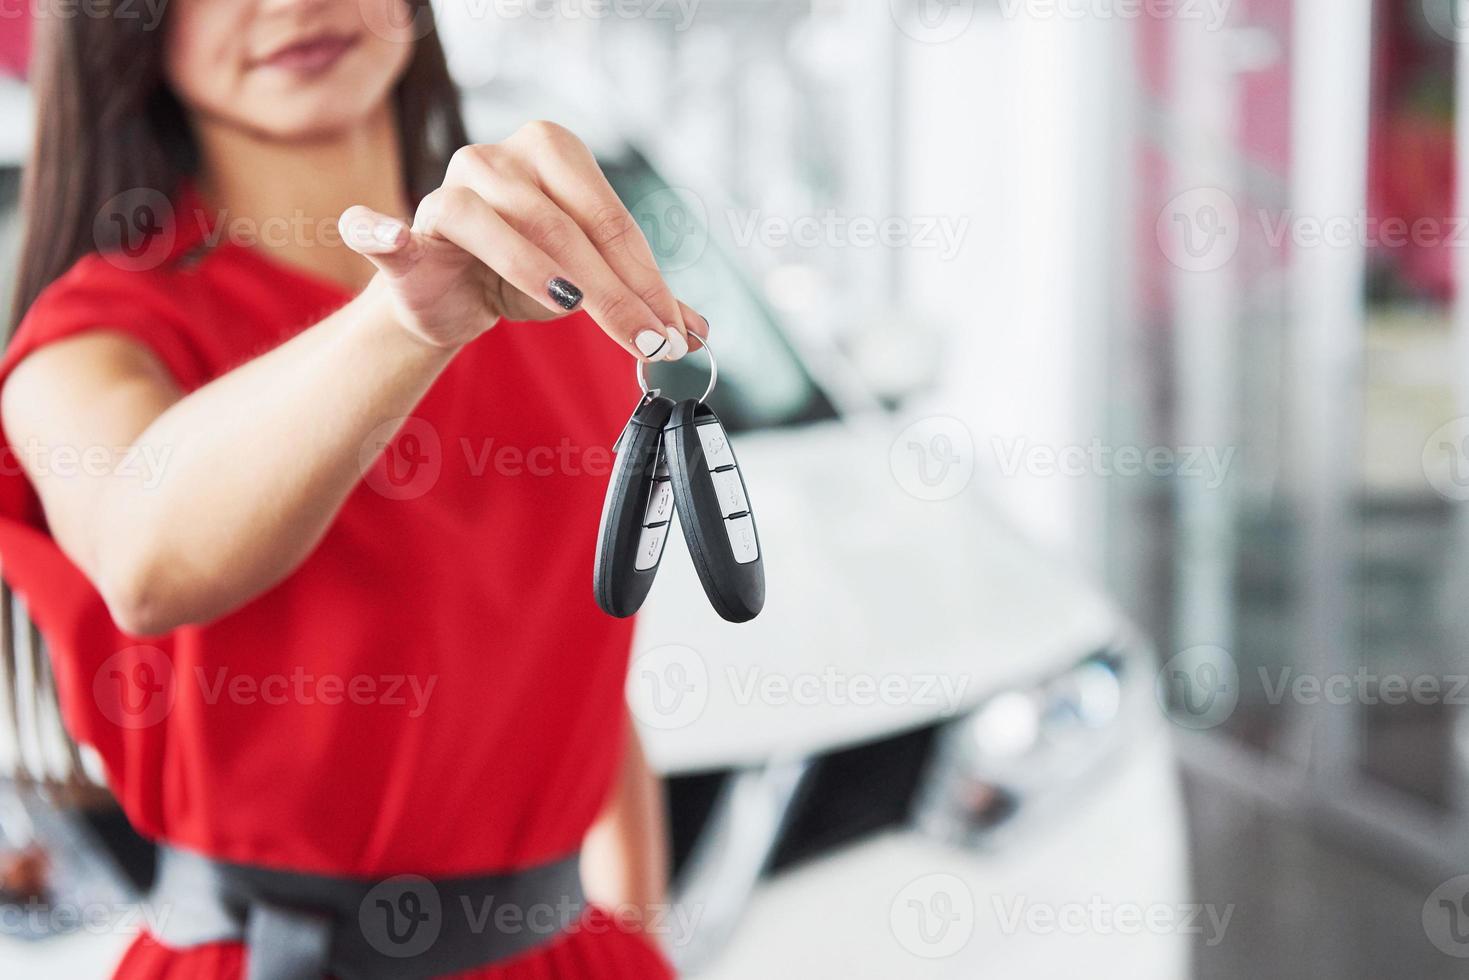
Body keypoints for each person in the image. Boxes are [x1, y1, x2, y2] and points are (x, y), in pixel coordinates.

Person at [0, 1, 705, 976]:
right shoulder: (89, 342)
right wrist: (408, 323)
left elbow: (563, 650)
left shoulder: (547, 287)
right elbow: (143, 553)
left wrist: (630, 933)